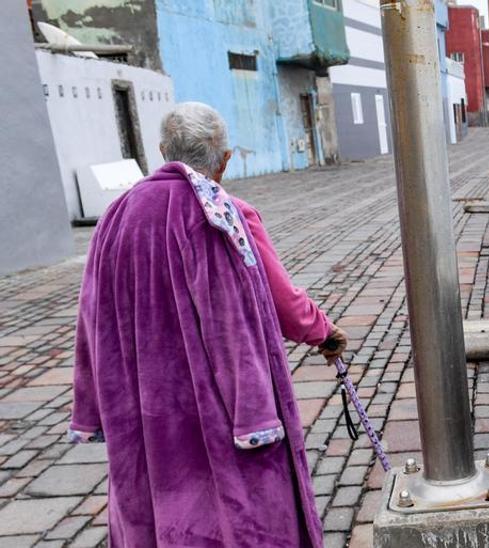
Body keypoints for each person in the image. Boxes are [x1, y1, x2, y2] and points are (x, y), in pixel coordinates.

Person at [70, 102, 347, 547]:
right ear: (225, 159)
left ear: (163, 151)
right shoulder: (221, 213)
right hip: (218, 403)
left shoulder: (114, 217)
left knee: (160, 500)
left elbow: (91, 316)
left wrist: (93, 402)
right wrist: (324, 332)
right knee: (231, 507)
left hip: (143, 402)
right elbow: (278, 305)